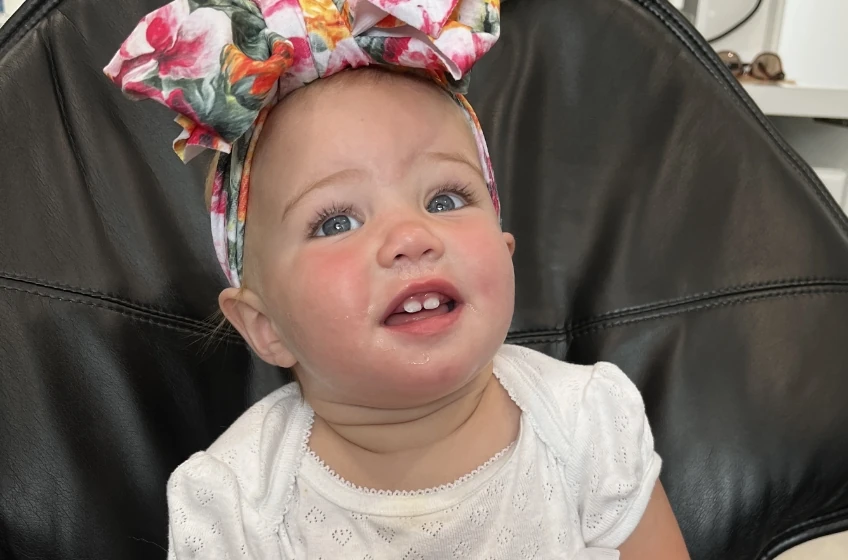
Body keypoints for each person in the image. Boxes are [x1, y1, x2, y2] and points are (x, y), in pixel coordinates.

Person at [104, 1, 690, 558]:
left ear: (505, 252)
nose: (411, 236)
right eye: (336, 221)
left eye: (444, 199)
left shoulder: (589, 426)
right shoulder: (236, 505)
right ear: (265, 326)